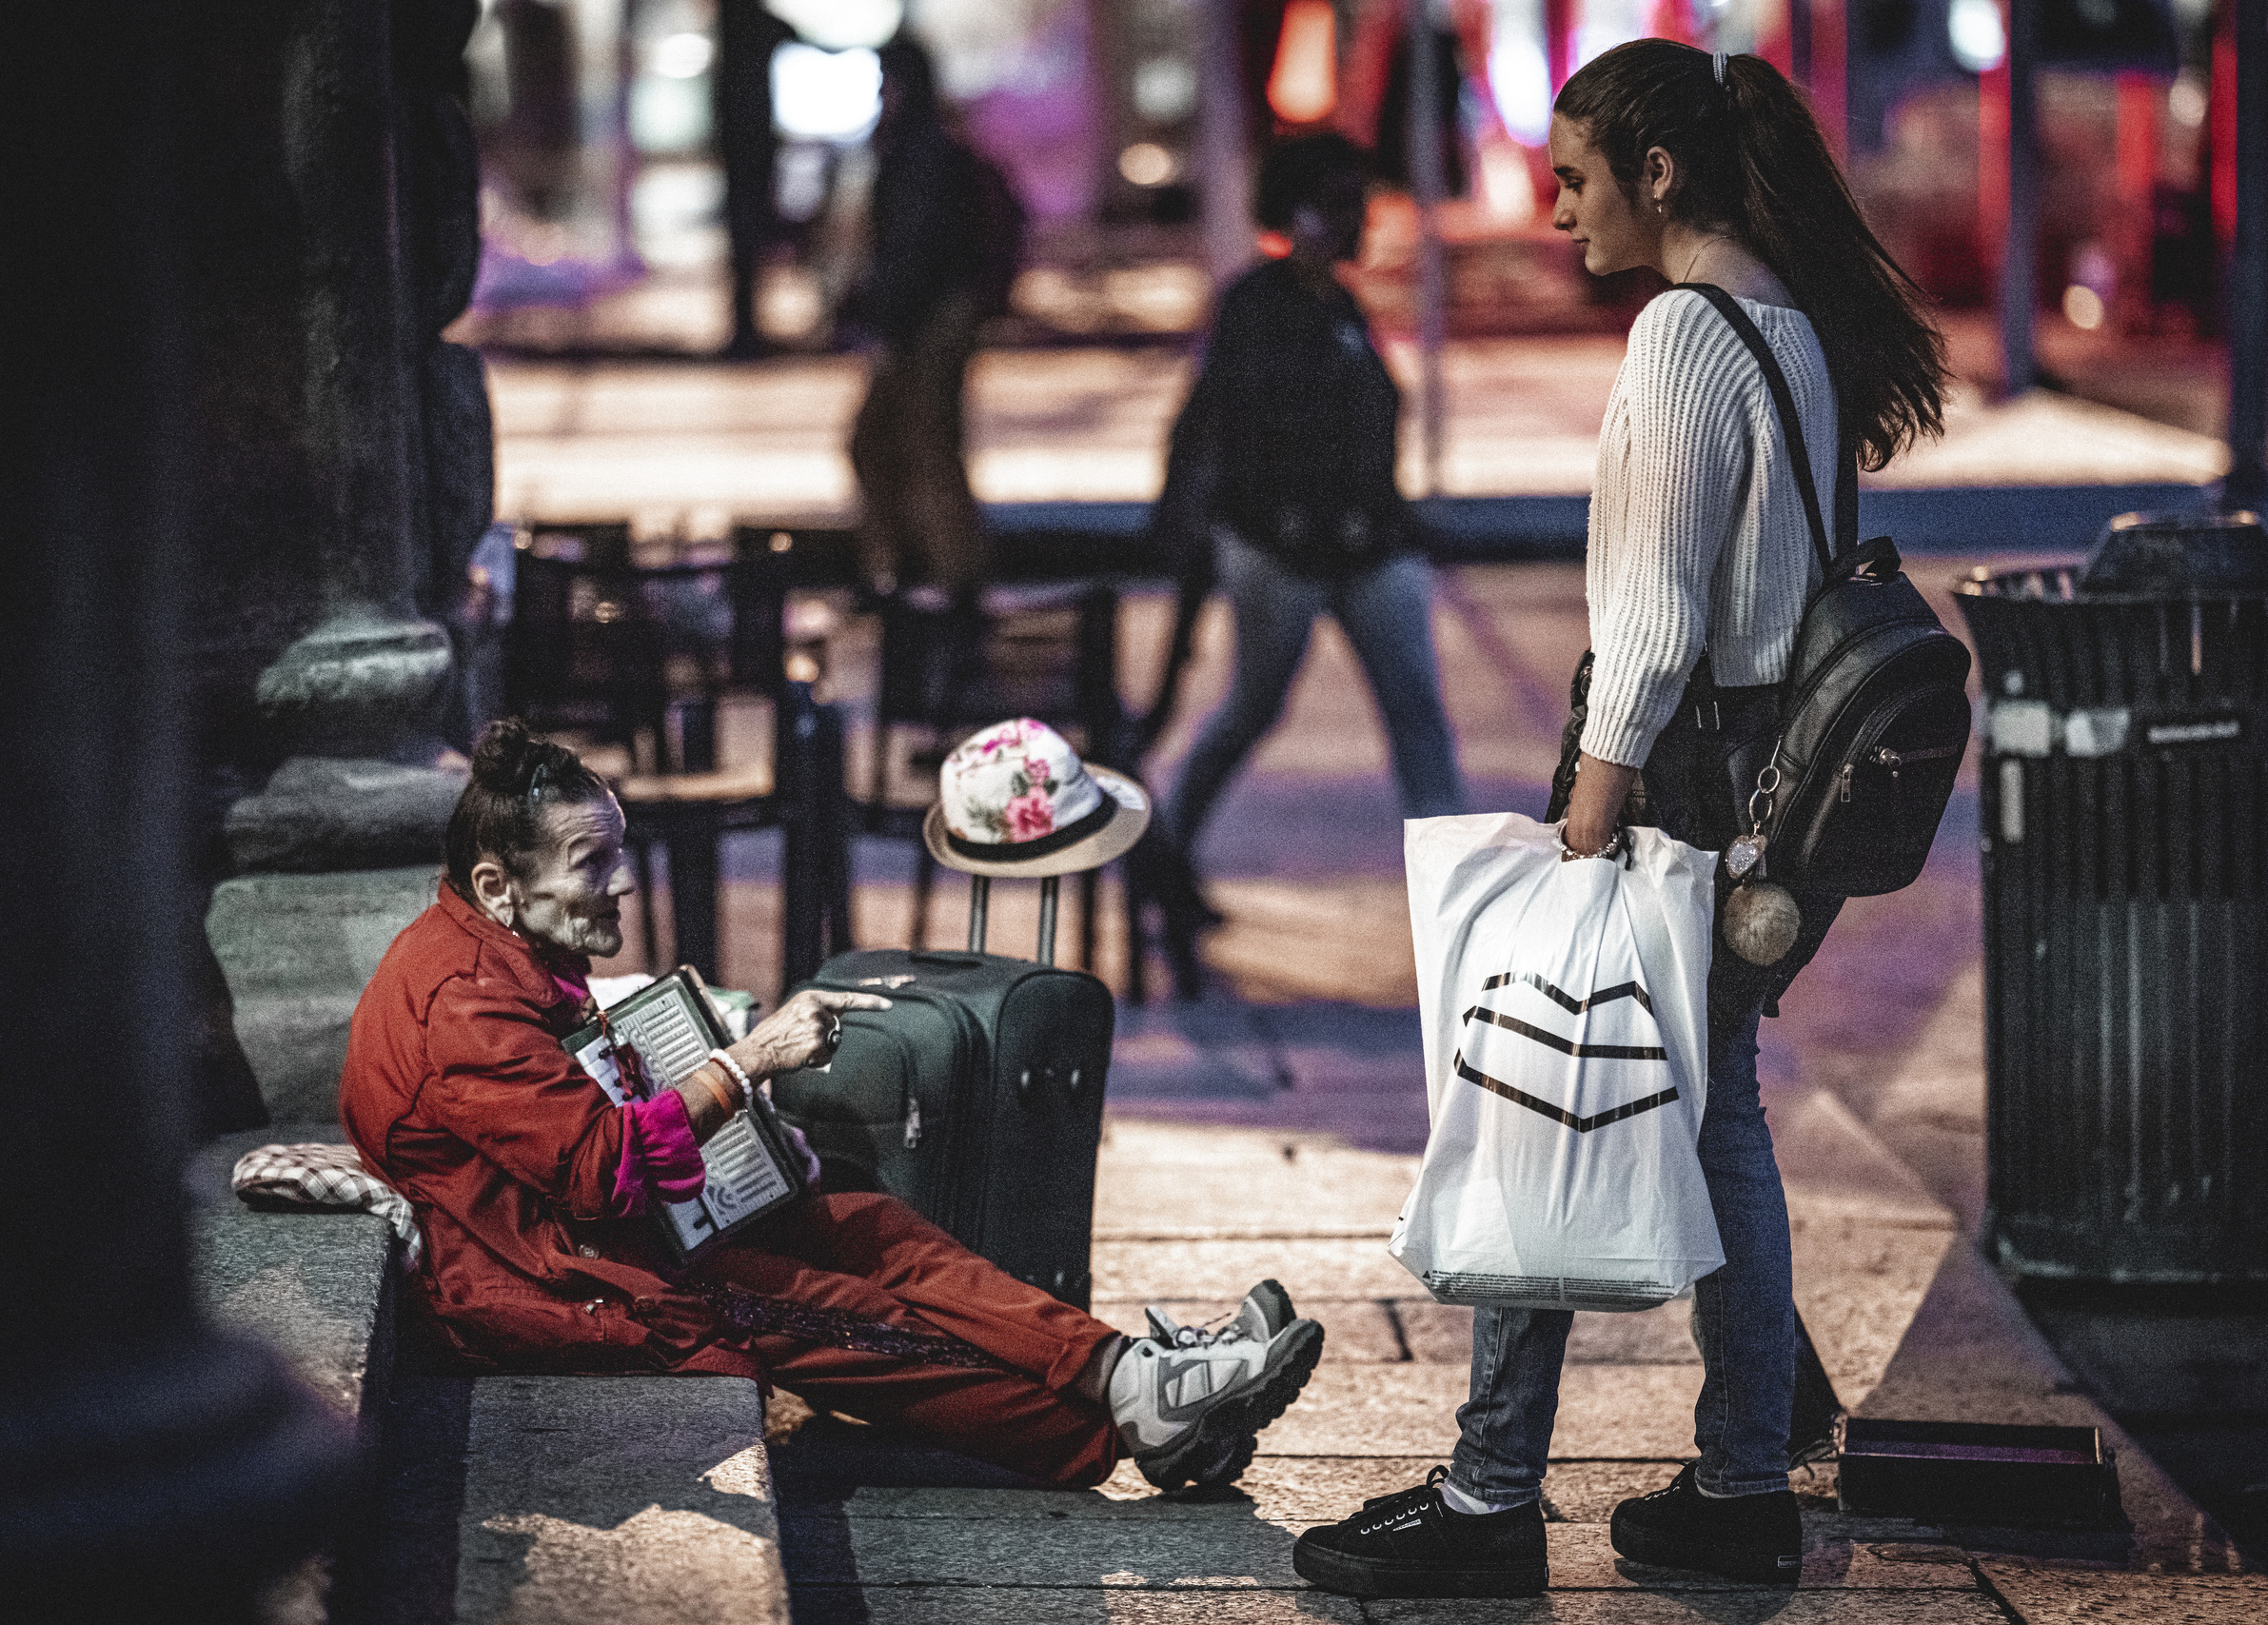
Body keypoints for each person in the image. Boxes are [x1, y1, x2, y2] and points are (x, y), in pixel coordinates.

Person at [1293, 41, 1946, 1595]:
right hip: (1773, 788)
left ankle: (1491, 1496)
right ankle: (1740, 1481)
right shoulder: (1790, 329)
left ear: (1660, 175)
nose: (1557, 206)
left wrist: (1587, 812)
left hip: (1680, 783)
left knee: (1543, 1070)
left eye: (1576, 175)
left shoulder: (1682, 336)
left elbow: (1653, 621)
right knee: (1715, 1113)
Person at [340, 719, 1324, 1491]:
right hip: (557, 1284)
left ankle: (1130, 1372)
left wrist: (732, 1117)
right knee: (852, 1318)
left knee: (868, 1226)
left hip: (611, 1235)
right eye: (591, 863)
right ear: (497, 886)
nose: (622, 882)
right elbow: (602, 1168)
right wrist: (750, 1061)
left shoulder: (496, 951)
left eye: (617, 853)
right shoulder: (461, 1005)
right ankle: (1125, 1427)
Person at [1155, 133, 1466, 915]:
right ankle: (1166, 846)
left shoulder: (1342, 307)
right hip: (1282, 550)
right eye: (1339, 205)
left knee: (1418, 717)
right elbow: (1238, 430)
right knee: (1253, 706)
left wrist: (1389, 516)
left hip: (1367, 546)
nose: (1359, 220)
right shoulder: (1256, 307)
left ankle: (1463, 894)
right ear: (1296, 214)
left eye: (1359, 203)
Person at [846, 35, 1023, 599]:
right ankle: (919, 572)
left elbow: (913, 252)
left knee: (917, 448)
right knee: (894, 443)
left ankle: (942, 577)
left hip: (928, 323)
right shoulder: (925, 149)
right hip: (931, 319)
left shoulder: (921, 154)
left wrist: (888, 319)